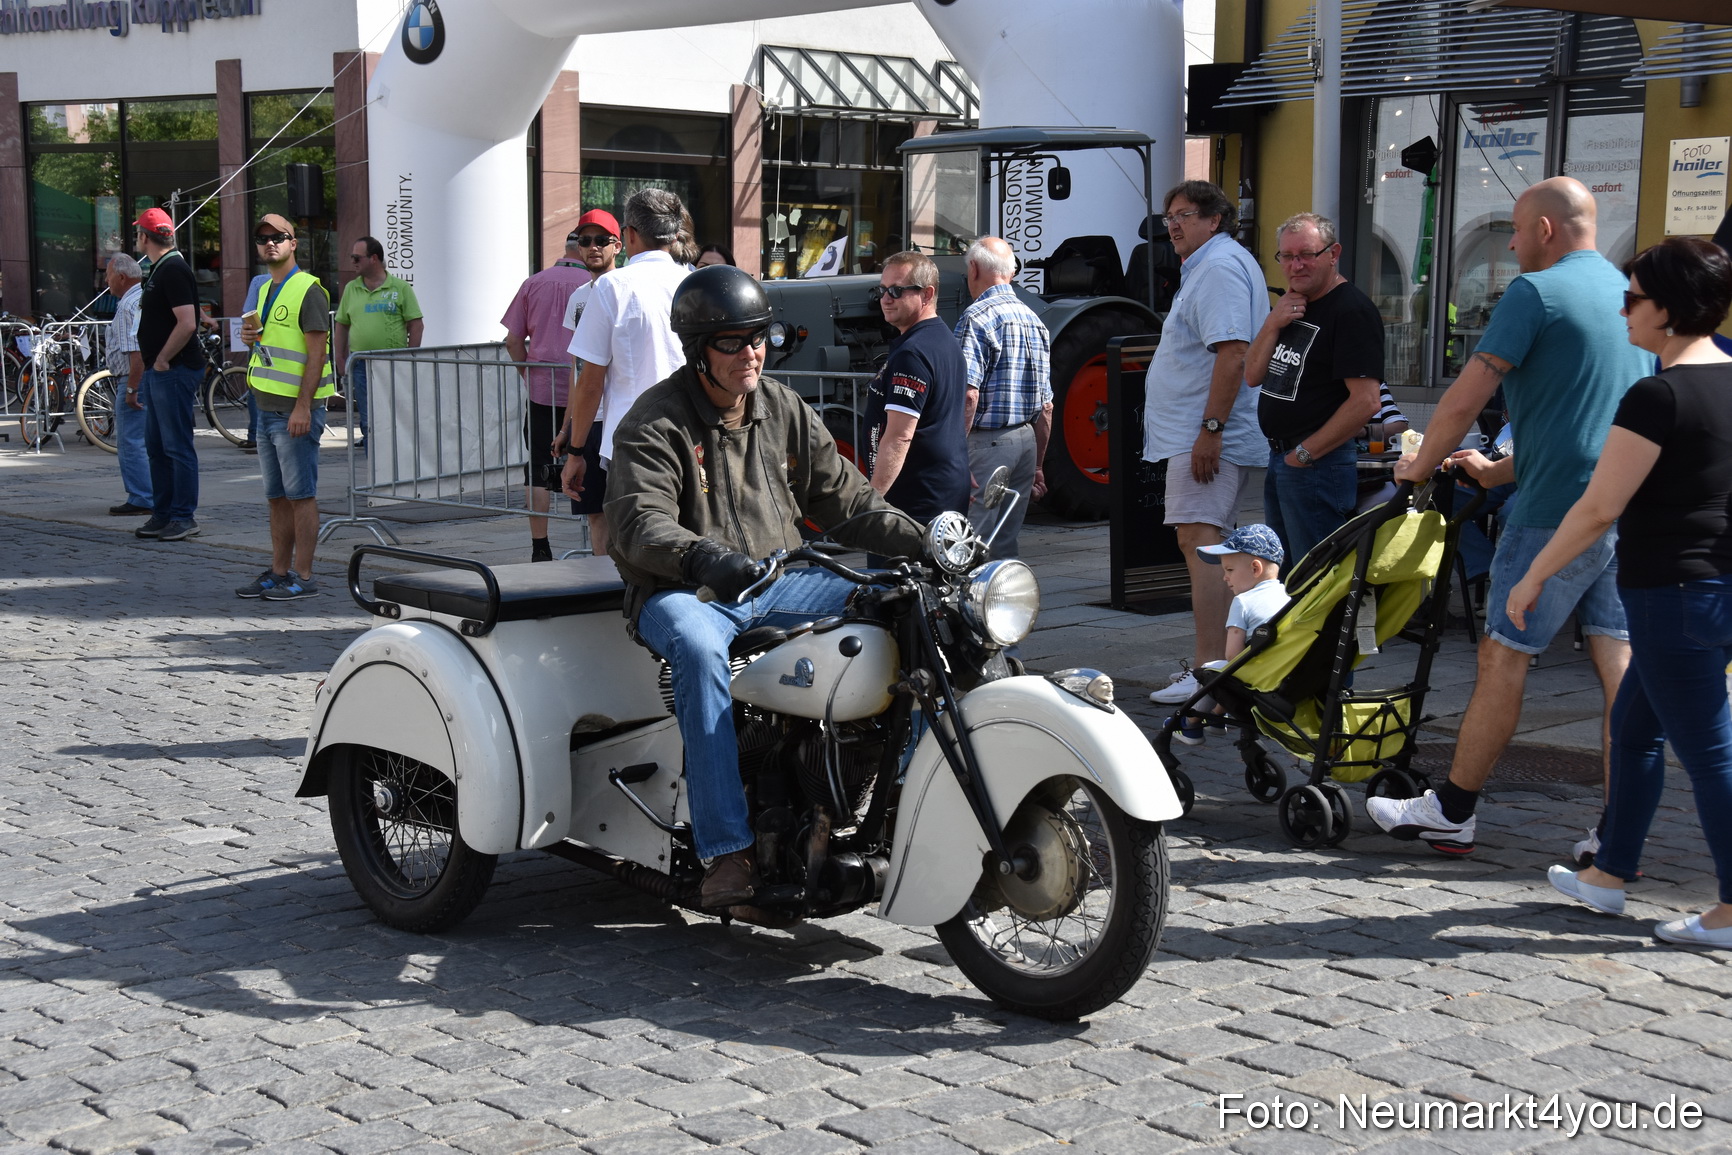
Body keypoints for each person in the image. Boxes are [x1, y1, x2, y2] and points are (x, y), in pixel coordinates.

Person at [606, 265, 925, 907]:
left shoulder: (778, 405)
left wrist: (928, 544)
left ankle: (900, 798)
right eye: (731, 341)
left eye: (759, 335)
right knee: (698, 651)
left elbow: (847, 499)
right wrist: (701, 559)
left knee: (904, 602)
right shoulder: (655, 422)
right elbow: (638, 525)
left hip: (780, 579)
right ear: (698, 350)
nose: (751, 351)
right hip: (684, 591)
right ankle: (726, 849)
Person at [1369, 176, 1649, 857]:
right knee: (1621, 667)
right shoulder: (1628, 298)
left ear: (1548, 230)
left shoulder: (1535, 292)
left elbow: (1468, 395)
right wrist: (1497, 471)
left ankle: (1454, 808)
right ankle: (1618, 833)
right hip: (1626, 505)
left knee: (1503, 654)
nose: (1514, 243)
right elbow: (1585, 422)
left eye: (1518, 232)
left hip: (1555, 511)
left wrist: (1417, 462)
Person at [1509, 238, 1732, 947]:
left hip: (1675, 593)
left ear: (1669, 310)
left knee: (1710, 755)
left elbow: (1598, 507)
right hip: (1708, 590)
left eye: (1634, 297)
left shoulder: (1657, 394)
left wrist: (1535, 573)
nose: (1623, 308)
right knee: (1635, 729)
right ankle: (1608, 875)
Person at [1141, 181, 1272, 706]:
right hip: (1198, 432)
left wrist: (1210, 431)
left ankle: (1209, 679)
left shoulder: (1217, 268)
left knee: (1204, 548)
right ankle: (1220, 671)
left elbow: (1234, 354)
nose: (1173, 225)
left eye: (1186, 215)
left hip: (1207, 435)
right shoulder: (1211, 263)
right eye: (1169, 215)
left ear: (1215, 219)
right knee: (1208, 546)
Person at [1244, 212, 1384, 567]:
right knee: (1285, 575)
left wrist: (1305, 454)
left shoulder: (1350, 310)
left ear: (1333, 253)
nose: (1296, 265)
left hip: (1316, 464)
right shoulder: (1292, 306)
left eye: (1307, 254)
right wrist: (1273, 323)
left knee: (1314, 576)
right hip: (1281, 459)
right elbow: (1252, 375)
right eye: (1287, 257)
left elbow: (1366, 401)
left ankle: (1327, 627)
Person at [563, 189, 694, 557]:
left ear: (630, 235)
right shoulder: (693, 280)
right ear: (672, 234)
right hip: (691, 433)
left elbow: (590, 383)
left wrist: (576, 452)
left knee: (633, 545)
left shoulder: (611, 287)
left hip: (633, 441)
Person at [234, 214, 335, 602]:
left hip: (293, 411)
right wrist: (250, 339)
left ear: (294, 243)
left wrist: (303, 408)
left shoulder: (308, 289)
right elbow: (268, 346)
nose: (269, 244)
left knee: (301, 495)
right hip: (264, 406)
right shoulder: (263, 290)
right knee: (276, 497)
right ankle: (278, 572)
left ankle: (304, 576)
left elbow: (316, 355)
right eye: (263, 239)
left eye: (279, 237)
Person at [501, 227, 598, 562]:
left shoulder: (534, 283)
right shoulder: (595, 286)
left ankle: (540, 544)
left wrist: (528, 374)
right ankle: (595, 541)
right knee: (595, 465)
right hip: (588, 391)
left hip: (542, 390)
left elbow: (512, 342)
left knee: (539, 468)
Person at [954, 236, 1051, 559]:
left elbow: (968, 395)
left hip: (986, 445)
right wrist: (1037, 465)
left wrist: (953, 450)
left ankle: (964, 607)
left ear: (974, 268)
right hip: (1025, 441)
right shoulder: (1036, 321)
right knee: (1005, 540)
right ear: (1010, 273)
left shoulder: (976, 317)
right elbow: (1047, 407)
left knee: (969, 538)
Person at [863, 251, 969, 527]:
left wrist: (870, 503)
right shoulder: (942, 339)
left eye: (897, 290)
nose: (885, 299)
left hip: (913, 506)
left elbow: (899, 437)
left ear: (926, 294)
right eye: (882, 290)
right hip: (936, 494)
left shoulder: (913, 353)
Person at [1170, 523, 1287, 745]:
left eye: (1229, 570)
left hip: (1253, 676)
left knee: (1211, 670)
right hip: (1278, 673)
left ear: (1255, 568)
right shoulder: (1288, 599)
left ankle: (1191, 724)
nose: (1225, 577)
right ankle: (1216, 716)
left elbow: (1233, 656)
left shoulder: (1243, 602)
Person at [132, 207, 206, 543]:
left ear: (145, 237)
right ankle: (163, 514)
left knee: (175, 447)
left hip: (172, 370)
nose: (137, 238)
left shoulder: (172, 268)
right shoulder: (163, 268)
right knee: (157, 447)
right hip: (160, 371)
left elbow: (186, 322)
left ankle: (182, 516)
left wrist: (162, 358)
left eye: (138, 233)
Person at [554, 210, 625, 550]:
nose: (593, 247)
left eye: (601, 240)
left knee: (629, 510)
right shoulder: (577, 297)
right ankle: (604, 583)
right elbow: (577, 370)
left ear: (618, 246)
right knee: (595, 512)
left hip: (622, 414)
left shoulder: (627, 289)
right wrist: (568, 426)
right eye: (585, 241)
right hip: (590, 420)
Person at [333, 235, 424, 451]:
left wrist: (409, 357)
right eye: (352, 257)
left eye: (357, 258)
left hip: (393, 363)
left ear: (373, 258)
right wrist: (339, 357)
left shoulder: (400, 288)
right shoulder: (351, 289)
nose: (353, 262)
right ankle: (374, 462)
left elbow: (416, 325)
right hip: (362, 364)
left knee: (396, 414)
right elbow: (341, 325)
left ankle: (398, 458)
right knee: (368, 416)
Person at [103, 253, 151, 517]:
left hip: (134, 380)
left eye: (108, 275)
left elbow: (136, 353)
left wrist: (131, 388)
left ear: (121, 277)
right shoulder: (143, 297)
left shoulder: (127, 305)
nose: (106, 282)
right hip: (148, 378)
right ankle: (148, 494)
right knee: (145, 440)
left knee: (131, 440)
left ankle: (142, 497)